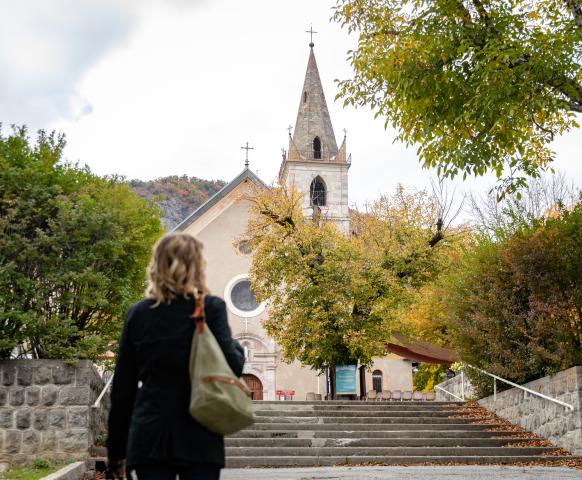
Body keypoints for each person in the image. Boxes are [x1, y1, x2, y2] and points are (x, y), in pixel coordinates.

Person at [107, 233, 245, 480]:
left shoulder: (138, 314)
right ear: (196, 266)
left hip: (150, 434)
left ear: (156, 265)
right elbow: (232, 366)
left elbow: (123, 389)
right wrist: (235, 347)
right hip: (200, 431)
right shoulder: (210, 308)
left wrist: (116, 451)